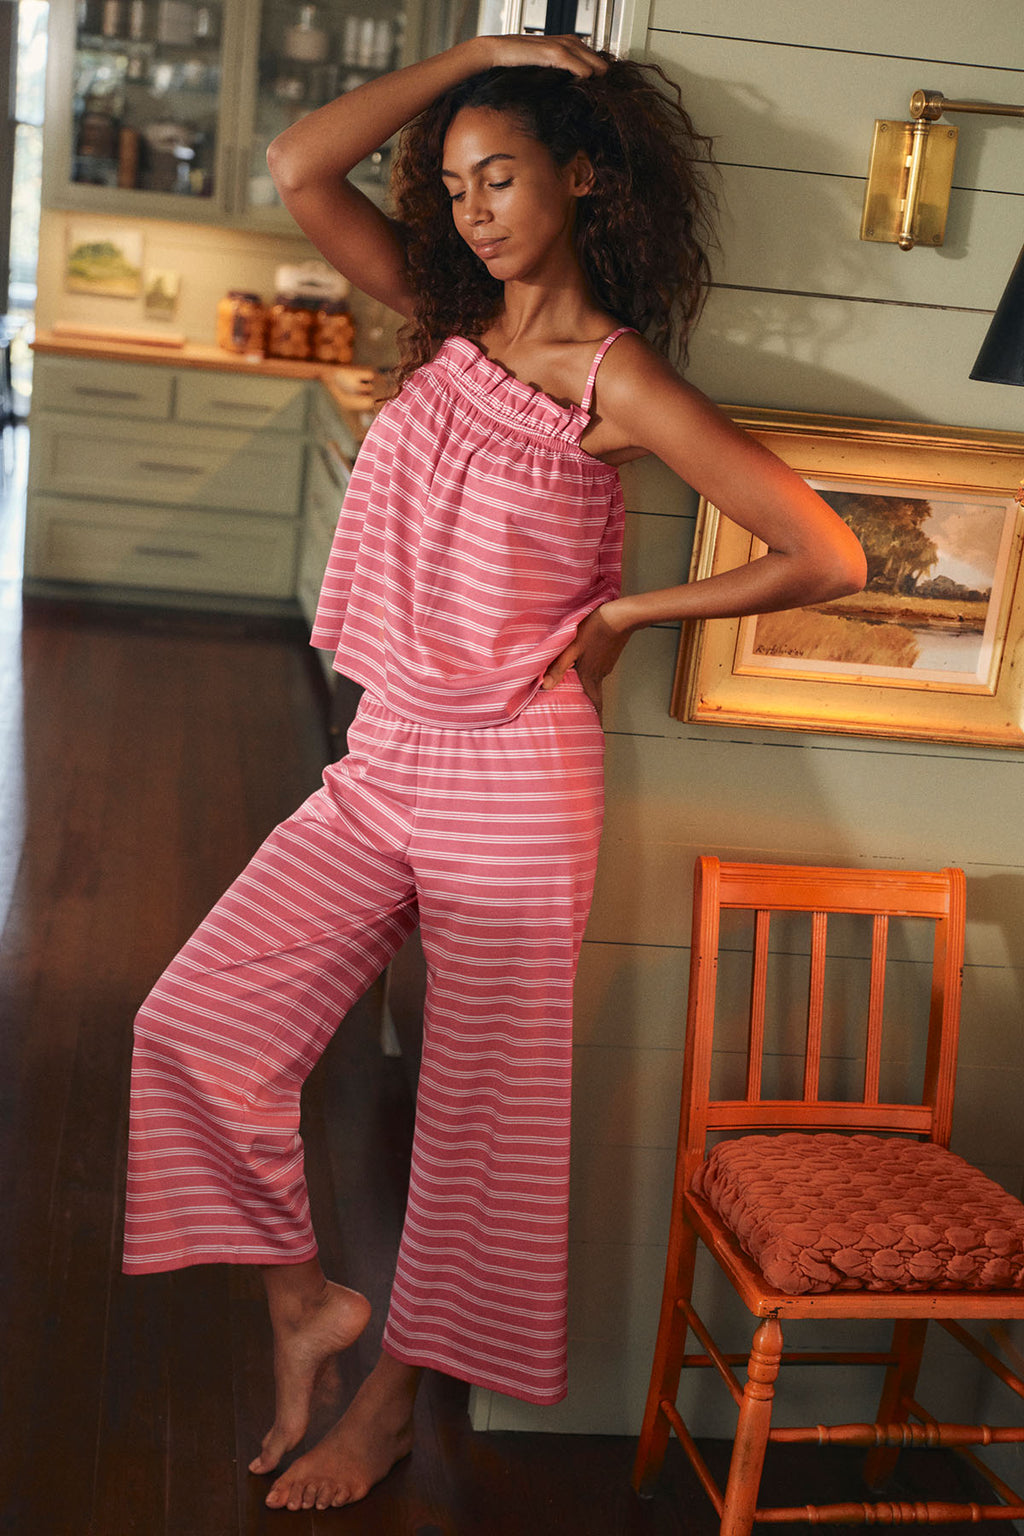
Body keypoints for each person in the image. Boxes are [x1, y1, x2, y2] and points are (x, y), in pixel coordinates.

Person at [122, 30, 867, 1516]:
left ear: (585, 179)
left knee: (480, 1122)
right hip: (387, 753)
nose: (471, 210)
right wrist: (472, 54)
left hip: (521, 778)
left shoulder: (618, 379)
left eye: (503, 174)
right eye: (455, 183)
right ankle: (304, 1305)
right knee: (197, 1023)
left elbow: (828, 553)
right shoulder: (440, 321)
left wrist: (630, 613)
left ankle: (393, 1402)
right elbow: (295, 165)